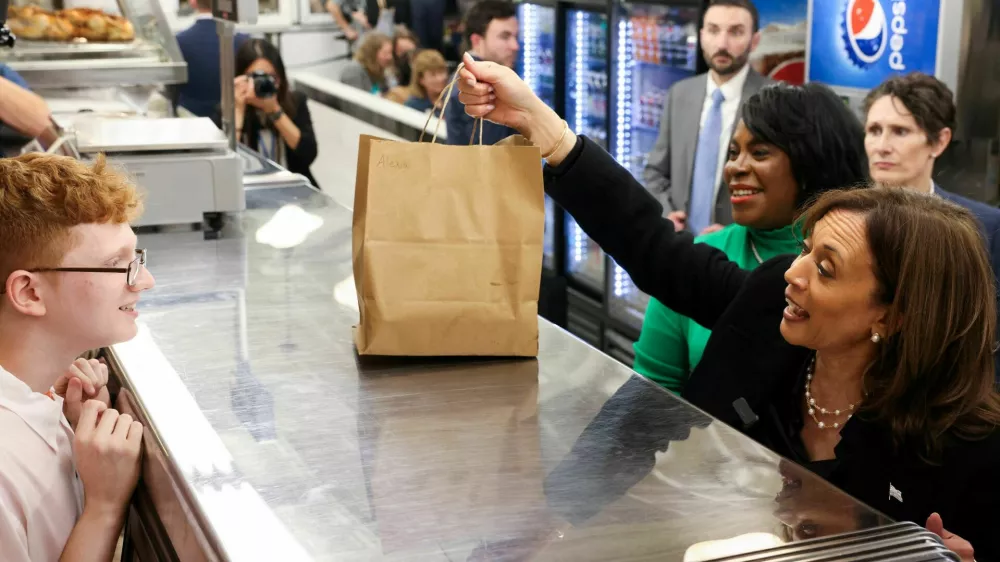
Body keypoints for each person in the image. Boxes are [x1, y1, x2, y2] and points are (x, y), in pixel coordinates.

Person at [455, 53, 997, 560]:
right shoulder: (768, 304)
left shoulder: (963, 440)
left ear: (892, 314)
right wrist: (544, 128)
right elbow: (656, 251)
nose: (794, 273)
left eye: (825, 268)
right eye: (804, 250)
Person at [634, 83, 869, 393]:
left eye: (759, 153)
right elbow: (652, 387)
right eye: (733, 153)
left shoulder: (862, 267)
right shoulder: (702, 257)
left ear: (811, 162)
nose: (735, 167)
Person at [0, 153, 154, 561]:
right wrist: (105, 507)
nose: (145, 281)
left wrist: (67, 423)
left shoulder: (37, 394)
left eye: (136, 259)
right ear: (30, 293)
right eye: (116, 265)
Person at [863, 72, 1000, 380]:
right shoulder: (840, 221)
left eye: (900, 131)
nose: (881, 146)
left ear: (939, 141)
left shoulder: (985, 228)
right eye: (874, 130)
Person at [644, 0, 772, 235]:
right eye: (713, 30)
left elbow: (781, 193)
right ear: (702, 35)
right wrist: (666, 212)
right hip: (679, 246)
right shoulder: (680, 94)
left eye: (736, 32)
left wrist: (737, 233)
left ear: (755, 41)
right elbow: (655, 171)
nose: (722, 43)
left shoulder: (773, 101)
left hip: (738, 254)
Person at [233, 39, 319, 188]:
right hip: (249, 189)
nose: (263, 84)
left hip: (293, 189)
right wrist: (238, 111)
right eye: (255, 77)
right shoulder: (230, 110)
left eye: (270, 78)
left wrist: (275, 111)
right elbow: (226, 162)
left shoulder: (295, 102)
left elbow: (308, 155)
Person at [444, 0, 518, 146]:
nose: (515, 46)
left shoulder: (461, 75)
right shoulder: (480, 84)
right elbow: (493, 153)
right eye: (504, 36)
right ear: (477, 40)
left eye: (516, 36)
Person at [174, 0, 250, 118]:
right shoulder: (244, 42)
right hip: (235, 119)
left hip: (191, 121)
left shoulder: (179, 42)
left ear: (193, 2)